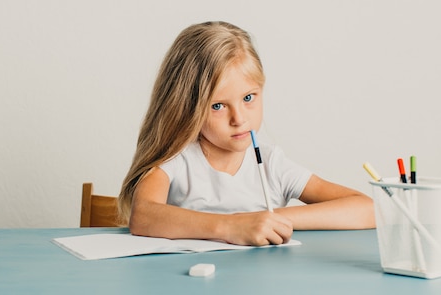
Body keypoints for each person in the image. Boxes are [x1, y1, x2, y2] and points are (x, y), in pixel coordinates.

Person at [118, 21, 375, 246]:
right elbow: (144, 216)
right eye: (218, 106)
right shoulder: (177, 160)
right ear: (186, 106)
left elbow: (367, 209)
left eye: (249, 98)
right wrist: (232, 227)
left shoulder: (271, 164)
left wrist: (270, 221)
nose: (239, 119)